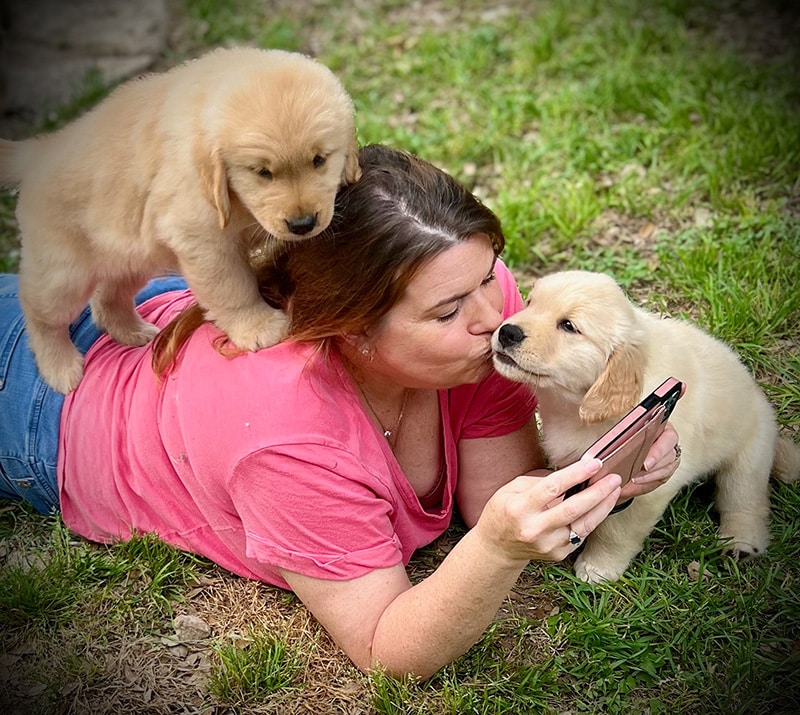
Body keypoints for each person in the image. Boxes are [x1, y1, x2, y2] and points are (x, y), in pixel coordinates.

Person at [0, 144, 680, 679]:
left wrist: (601, 471)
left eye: (486, 279)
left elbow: (495, 492)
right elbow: (390, 646)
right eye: (449, 309)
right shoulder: (283, 432)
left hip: (164, 311)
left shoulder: (485, 317)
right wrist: (498, 545)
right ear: (352, 329)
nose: (496, 319)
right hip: (45, 399)